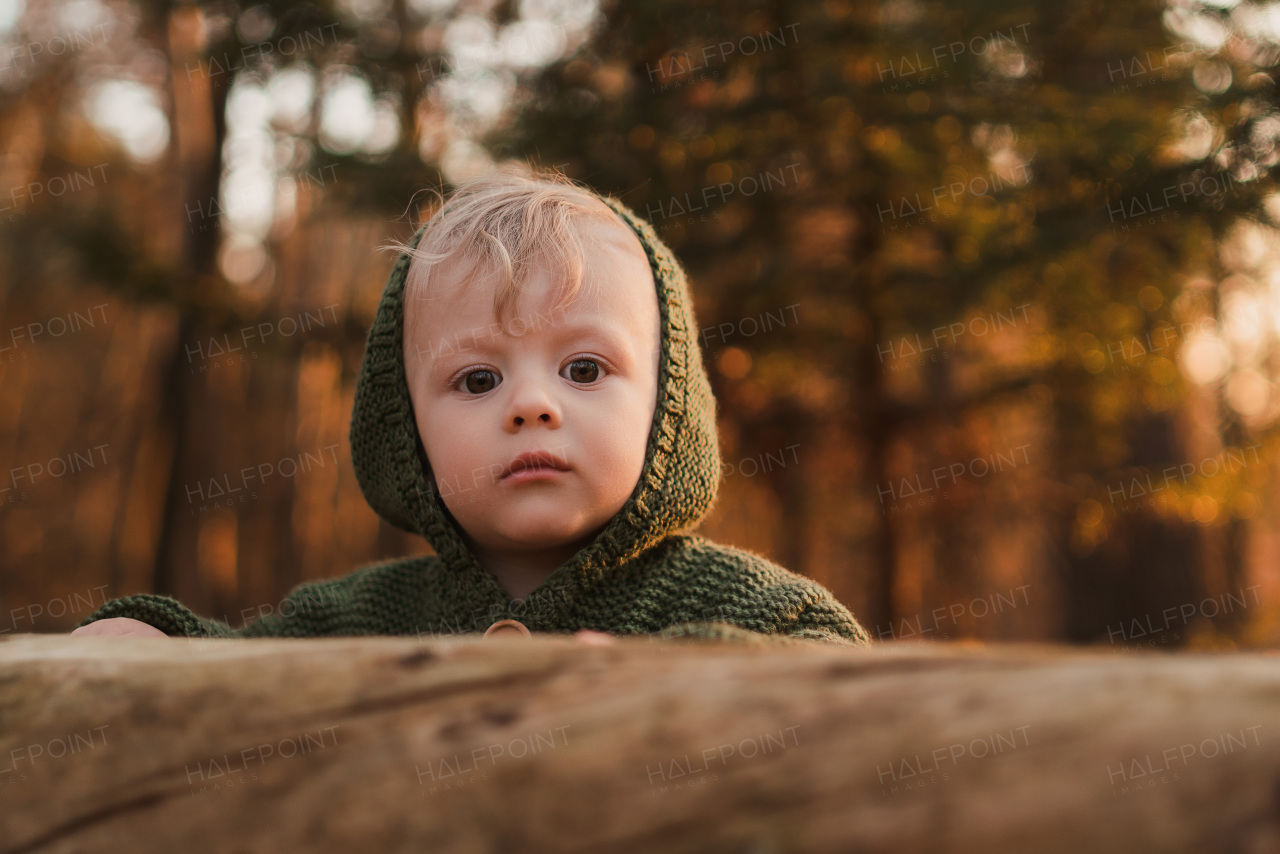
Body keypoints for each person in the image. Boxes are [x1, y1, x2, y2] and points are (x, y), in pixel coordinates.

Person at [72, 168, 871, 648]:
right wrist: (156, 641)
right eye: (478, 381)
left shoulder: (741, 604)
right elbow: (238, 668)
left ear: (667, 407)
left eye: (584, 368)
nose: (531, 405)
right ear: (408, 426)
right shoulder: (362, 615)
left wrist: (686, 674)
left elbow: (841, 670)